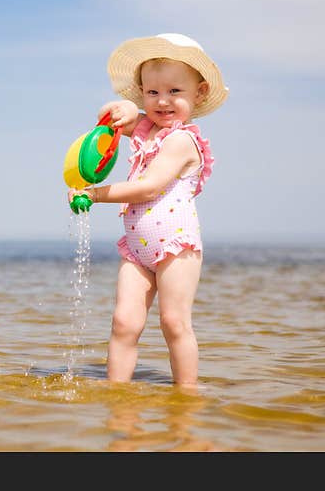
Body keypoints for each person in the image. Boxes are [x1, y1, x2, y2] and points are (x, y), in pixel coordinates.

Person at [67, 33, 229, 387]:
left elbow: (148, 187)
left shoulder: (182, 141)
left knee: (174, 322)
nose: (163, 101)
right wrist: (120, 109)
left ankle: (186, 395)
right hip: (137, 250)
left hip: (176, 245)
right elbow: (113, 120)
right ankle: (117, 392)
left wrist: (95, 194)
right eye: (152, 92)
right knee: (124, 322)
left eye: (175, 92)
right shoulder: (147, 130)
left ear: (198, 93)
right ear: (141, 92)